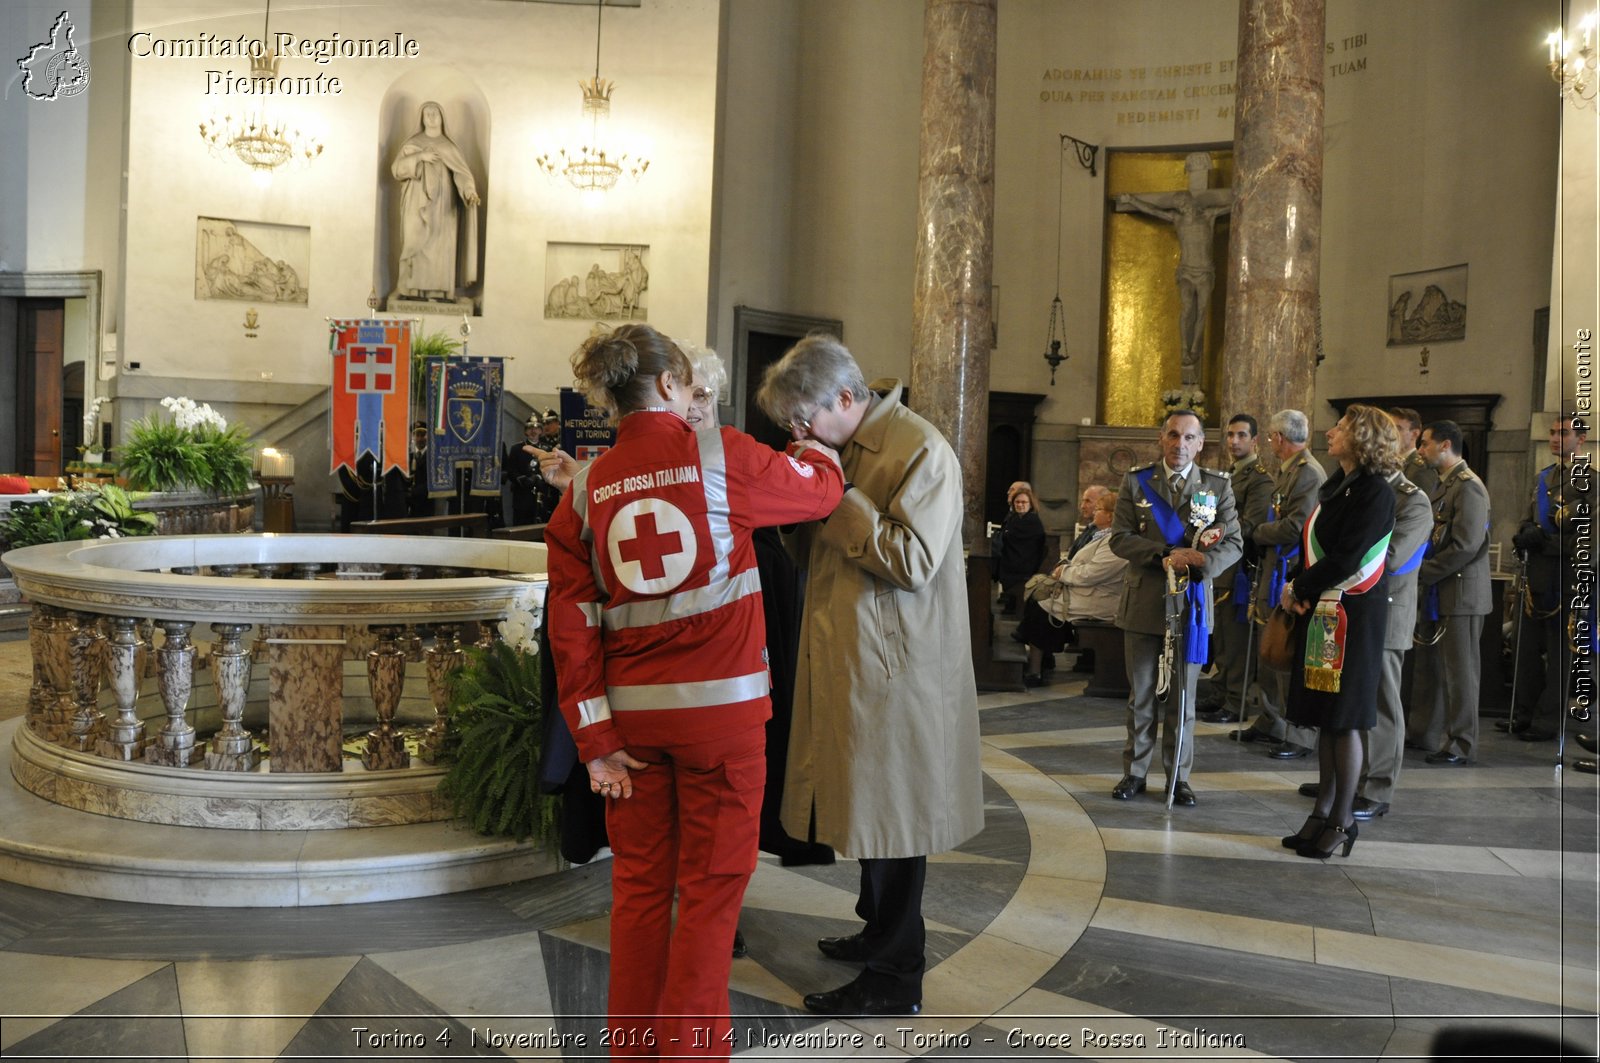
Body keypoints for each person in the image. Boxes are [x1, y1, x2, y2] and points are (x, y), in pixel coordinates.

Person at [544, 324, 844, 1057]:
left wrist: (596, 744)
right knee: (710, 903)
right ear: (676, 384)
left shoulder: (584, 490)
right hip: (724, 726)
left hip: (631, 734)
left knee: (640, 895)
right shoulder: (722, 455)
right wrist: (812, 444)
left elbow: (572, 633)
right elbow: (819, 493)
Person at [756, 334, 983, 1018]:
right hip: (844, 654)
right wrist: (797, 495)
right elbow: (813, 550)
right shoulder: (845, 447)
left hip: (896, 667)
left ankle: (896, 973)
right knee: (863, 807)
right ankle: (876, 930)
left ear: (847, 399)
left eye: (803, 419)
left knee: (895, 818)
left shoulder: (921, 450)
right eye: (791, 424)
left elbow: (911, 559)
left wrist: (839, 491)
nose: (798, 433)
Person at [679, 343, 834, 961]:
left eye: (705, 396)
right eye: (685, 394)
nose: (696, 408)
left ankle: (721, 909)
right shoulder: (660, 459)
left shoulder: (736, 454)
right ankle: (701, 909)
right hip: (687, 655)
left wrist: (816, 460)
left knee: (739, 787)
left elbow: (809, 498)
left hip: (755, 619)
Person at [1279, 405, 1398, 859]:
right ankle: (1322, 811)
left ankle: (1343, 820)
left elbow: (1348, 558)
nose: (1332, 432)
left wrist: (1299, 587)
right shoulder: (1338, 485)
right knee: (1327, 717)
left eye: (1343, 428)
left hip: (1354, 618)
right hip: (1325, 611)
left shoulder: (1376, 492)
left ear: (1363, 438)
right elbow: (1317, 551)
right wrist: (1295, 584)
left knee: (1344, 718)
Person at [1108, 410, 1241, 806]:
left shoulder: (1217, 487)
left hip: (1192, 606)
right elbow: (1119, 538)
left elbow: (1233, 543)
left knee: (1183, 698)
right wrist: (1165, 553)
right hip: (1146, 601)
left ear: (1201, 444)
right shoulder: (1137, 482)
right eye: (1172, 435)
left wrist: (1201, 562)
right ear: (1161, 439)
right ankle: (1134, 772)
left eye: (1188, 438)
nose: (1179, 444)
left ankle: (1178, 778)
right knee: (1143, 695)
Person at [1337, 455, 1432, 820]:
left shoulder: (1413, 500)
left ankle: (1377, 787)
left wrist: (1347, 549)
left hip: (1389, 612)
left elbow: (1390, 558)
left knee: (1382, 702)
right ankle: (1351, 777)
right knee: (1357, 697)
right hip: (1357, 608)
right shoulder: (1360, 490)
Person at [1231, 409, 1326, 758]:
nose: (1271, 442)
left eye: (1271, 437)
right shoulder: (1289, 472)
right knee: (1269, 646)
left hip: (1291, 570)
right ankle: (1271, 718)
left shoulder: (1308, 474)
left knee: (1287, 650)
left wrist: (1255, 532)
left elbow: (1296, 527)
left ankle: (1296, 731)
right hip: (1273, 568)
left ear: (1279, 439)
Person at [1409, 419, 1492, 765]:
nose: (1420, 449)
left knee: (1461, 672)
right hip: (1442, 590)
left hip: (1461, 593)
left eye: (1425, 443)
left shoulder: (1468, 486)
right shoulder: (1445, 485)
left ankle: (1461, 743)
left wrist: (1423, 572)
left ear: (1445, 446)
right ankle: (1426, 734)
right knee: (1435, 669)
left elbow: (1465, 545)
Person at [1506, 415, 1594, 741]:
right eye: (1553, 433)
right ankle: (1523, 712)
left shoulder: (1592, 483)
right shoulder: (1542, 478)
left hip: (1567, 574)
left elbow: (1590, 539)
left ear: (1581, 439)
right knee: (1524, 646)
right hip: (1536, 573)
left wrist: (1548, 542)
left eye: (1564, 433)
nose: (1556, 438)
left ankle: (1547, 721)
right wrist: (1524, 534)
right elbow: (1528, 520)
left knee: (1560, 650)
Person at [1113, 152, 1232, 384]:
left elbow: (1229, 206)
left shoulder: (1207, 215)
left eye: (1182, 203)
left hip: (1205, 270)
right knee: (1187, 310)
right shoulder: (1177, 220)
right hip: (1186, 270)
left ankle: (1196, 346)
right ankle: (1186, 348)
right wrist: (1132, 200)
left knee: (1202, 312)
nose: (1180, 206)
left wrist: (1250, 193)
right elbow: (1154, 211)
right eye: (1177, 205)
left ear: (1189, 202)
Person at [1200, 413, 1274, 722]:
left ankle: (1237, 700)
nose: (1234, 441)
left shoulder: (1260, 479)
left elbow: (1249, 525)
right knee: (1222, 637)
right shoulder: (1227, 474)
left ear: (1255, 440)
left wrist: (1211, 536)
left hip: (1238, 567)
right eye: (1230, 435)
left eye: (1242, 435)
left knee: (1236, 639)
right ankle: (1220, 692)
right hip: (1219, 565)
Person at [1015, 489, 1127, 685]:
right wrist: (1065, 567)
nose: (1094, 512)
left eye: (1099, 509)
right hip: (1089, 591)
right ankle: (1042, 657)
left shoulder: (1115, 543)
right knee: (1039, 595)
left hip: (1102, 599)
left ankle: (1036, 667)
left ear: (1111, 516)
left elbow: (1092, 573)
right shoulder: (1102, 535)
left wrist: (1063, 573)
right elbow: (1082, 561)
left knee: (1042, 604)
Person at [392, 101, 480, 301]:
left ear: (442, 117)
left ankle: (439, 291)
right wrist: (420, 156)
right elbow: (396, 169)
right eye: (427, 114)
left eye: (435, 114)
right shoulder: (412, 144)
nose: (431, 117)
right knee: (414, 240)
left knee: (440, 248)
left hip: (443, 205)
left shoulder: (448, 147)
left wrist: (469, 191)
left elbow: (462, 174)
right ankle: (412, 291)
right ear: (421, 119)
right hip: (415, 202)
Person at [994, 481, 1046, 613]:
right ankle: (1009, 601)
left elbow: (1024, 542)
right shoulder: (1014, 518)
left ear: (1030, 504)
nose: (1020, 505)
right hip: (1013, 558)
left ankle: (1013, 603)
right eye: (1017, 502)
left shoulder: (1032, 521)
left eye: (1024, 502)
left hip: (1025, 563)